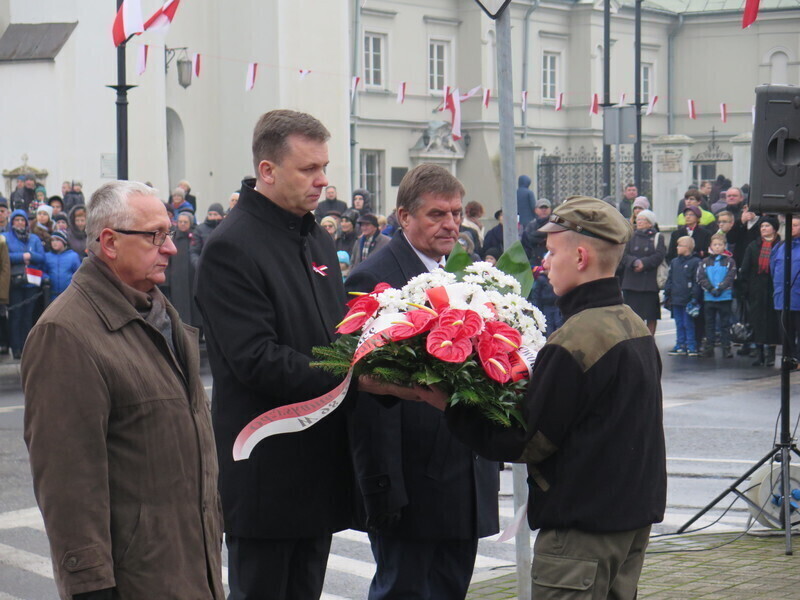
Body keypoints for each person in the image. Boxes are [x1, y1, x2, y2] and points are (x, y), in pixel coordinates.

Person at [440, 196, 665, 598]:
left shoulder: (577, 339)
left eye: (551, 250)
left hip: (581, 535)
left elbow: (526, 440)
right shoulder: (631, 323)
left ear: (580, 256)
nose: (543, 262)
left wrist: (449, 405)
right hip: (626, 525)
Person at [22, 181, 224, 600]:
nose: (170, 249)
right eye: (155, 236)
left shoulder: (163, 317)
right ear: (110, 242)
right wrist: (91, 587)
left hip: (191, 572)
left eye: (168, 234)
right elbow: (69, 484)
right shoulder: (66, 333)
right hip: (137, 584)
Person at [195, 110, 353, 600]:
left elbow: (337, 333)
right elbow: (256, 359)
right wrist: (354, 375)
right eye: (309, 169)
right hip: (266, 471)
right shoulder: (231, 247)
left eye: (324, 167)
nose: (323, 181)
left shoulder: (316, 236)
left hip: (319, 465)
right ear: (267, 170)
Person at [345, 163, 499, 600]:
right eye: (436, 214)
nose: (451, 224)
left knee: (450, 589)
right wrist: (383, 487)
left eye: (455, 213)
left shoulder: (458, 271)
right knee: (404, 590)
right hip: (410, 481)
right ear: (404, 217)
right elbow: (366, 388)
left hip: (459, 473)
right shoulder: (374, 276)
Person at [739, 217, 781, 366]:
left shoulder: (780, 245)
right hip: (756, 290)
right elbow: (746, 268)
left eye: (767, 226)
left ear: (774, 228)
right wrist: (745, 289)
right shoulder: (754, 246)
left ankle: (770, 354)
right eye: (762, 226)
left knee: (772, 322)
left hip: (774, 289)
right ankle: (759, 353)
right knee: (756, 322)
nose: (763, 228)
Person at [620, 209, 666, 335]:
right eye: (638, 219)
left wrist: (644, 263)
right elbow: (623, 254)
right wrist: (634, 262)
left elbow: (659, 255)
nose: (639, 222)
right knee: (632, 315)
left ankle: (650, 339)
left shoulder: (657, 237)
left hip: (649, 283)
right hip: (631, 282)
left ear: (650, 223)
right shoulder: (631, 236)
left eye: (642, 219)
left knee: (650, 315)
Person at [7, 209, 45, 359]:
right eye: (17, 220)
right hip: (15, 281)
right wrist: (22, 256)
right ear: (12, 222)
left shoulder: (34, 238)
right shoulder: (6, 237)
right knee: (16, 316)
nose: (20, 223)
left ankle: (27, 347)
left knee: (28, 316)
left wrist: (31, 255)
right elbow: (5, 257)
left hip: (32, 282)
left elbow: (41, 257)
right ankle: (16, 347)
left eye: (22, 220)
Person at [698, 233, 737, 358]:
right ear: (711, 246)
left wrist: (720, 288)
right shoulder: (705, 261)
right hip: (709, 297)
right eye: (715, 245)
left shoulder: (729, 261)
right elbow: (701, 277)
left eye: (720, 245)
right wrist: (710, 288)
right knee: (709, 324)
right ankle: (709, 347)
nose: (717, 247)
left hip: (724, 297)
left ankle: (726, 347)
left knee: (725, 324)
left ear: (724, 246)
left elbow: (731, 277)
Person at [664, 236, 702, 357]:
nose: (677, 248)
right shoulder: (675, 262)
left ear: (688, 248)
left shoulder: (695, 262)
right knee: (679, 323)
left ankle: (691, 345)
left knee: (688, 323)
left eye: (680, 245)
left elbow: (697, 281)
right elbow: (670, 278)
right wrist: (667, 292)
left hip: (688, 298)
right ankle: (680, 344)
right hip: (676, 298)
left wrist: (694, 297)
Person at [770, 215, 800, 367]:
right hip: (782, 297)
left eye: (796, 225)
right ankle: (788, 359)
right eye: (791, 225)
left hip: (798, 297)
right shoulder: (779, 247)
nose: (792, 228)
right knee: (785, 332)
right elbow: (773, 269)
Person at [165, 211, 201, 328]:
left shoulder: (195, 237)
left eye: (185, 222)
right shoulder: (173, 237)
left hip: (192, 278)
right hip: (177, 279)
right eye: (180, 222)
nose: (182, 224)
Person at [42, 230, 81, 304]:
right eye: (52, 240)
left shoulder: (73, 256)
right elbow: (43, 271)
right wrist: (45, 277)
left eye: (57, 240)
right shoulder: (47, 256)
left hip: (68, 294)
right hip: (52, 294)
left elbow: (77, 273)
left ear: (64, 242)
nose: (54, 242)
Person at [530, 254, 563, 338]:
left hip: (557, 305)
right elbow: (535, 295)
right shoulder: (541, 279)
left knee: (559, 324)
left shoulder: (559, 277)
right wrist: (536, 308)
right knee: (548, 326)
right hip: (546, 306)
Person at [521, 198, 552, 267]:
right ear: (535, 210)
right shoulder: (530, 226)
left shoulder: (554, 225)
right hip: (533, 262)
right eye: (541, 208)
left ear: (550, 210)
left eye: (546, 208)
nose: (544, 210)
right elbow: (525, 245)